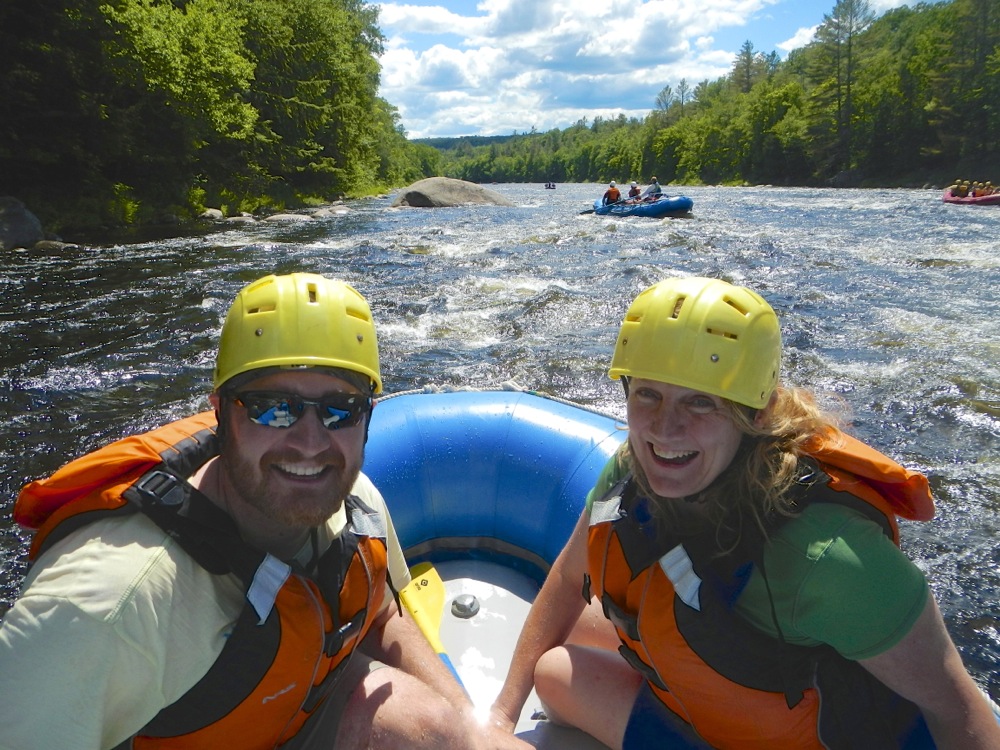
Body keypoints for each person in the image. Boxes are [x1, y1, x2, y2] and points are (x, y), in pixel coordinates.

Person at [0, 272, 531, 750]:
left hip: (293, 714)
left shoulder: (357, 501)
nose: (309, 442)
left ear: (367, 417)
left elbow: (383, 619)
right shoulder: (110, 608)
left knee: (434, 734)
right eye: (272, 407)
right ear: (220, 414)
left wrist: (471, 732)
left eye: (339, 409)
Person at [490, 276, 1000, 749]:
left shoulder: (829, 559)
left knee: (561, 675)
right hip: (718, 691)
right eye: (648, 394)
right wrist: (499, 719)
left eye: (700, 403)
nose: (665, 430)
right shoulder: (630, 468)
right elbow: (566, 579)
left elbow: (955, 708)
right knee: (554, 673)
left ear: (754, 414)